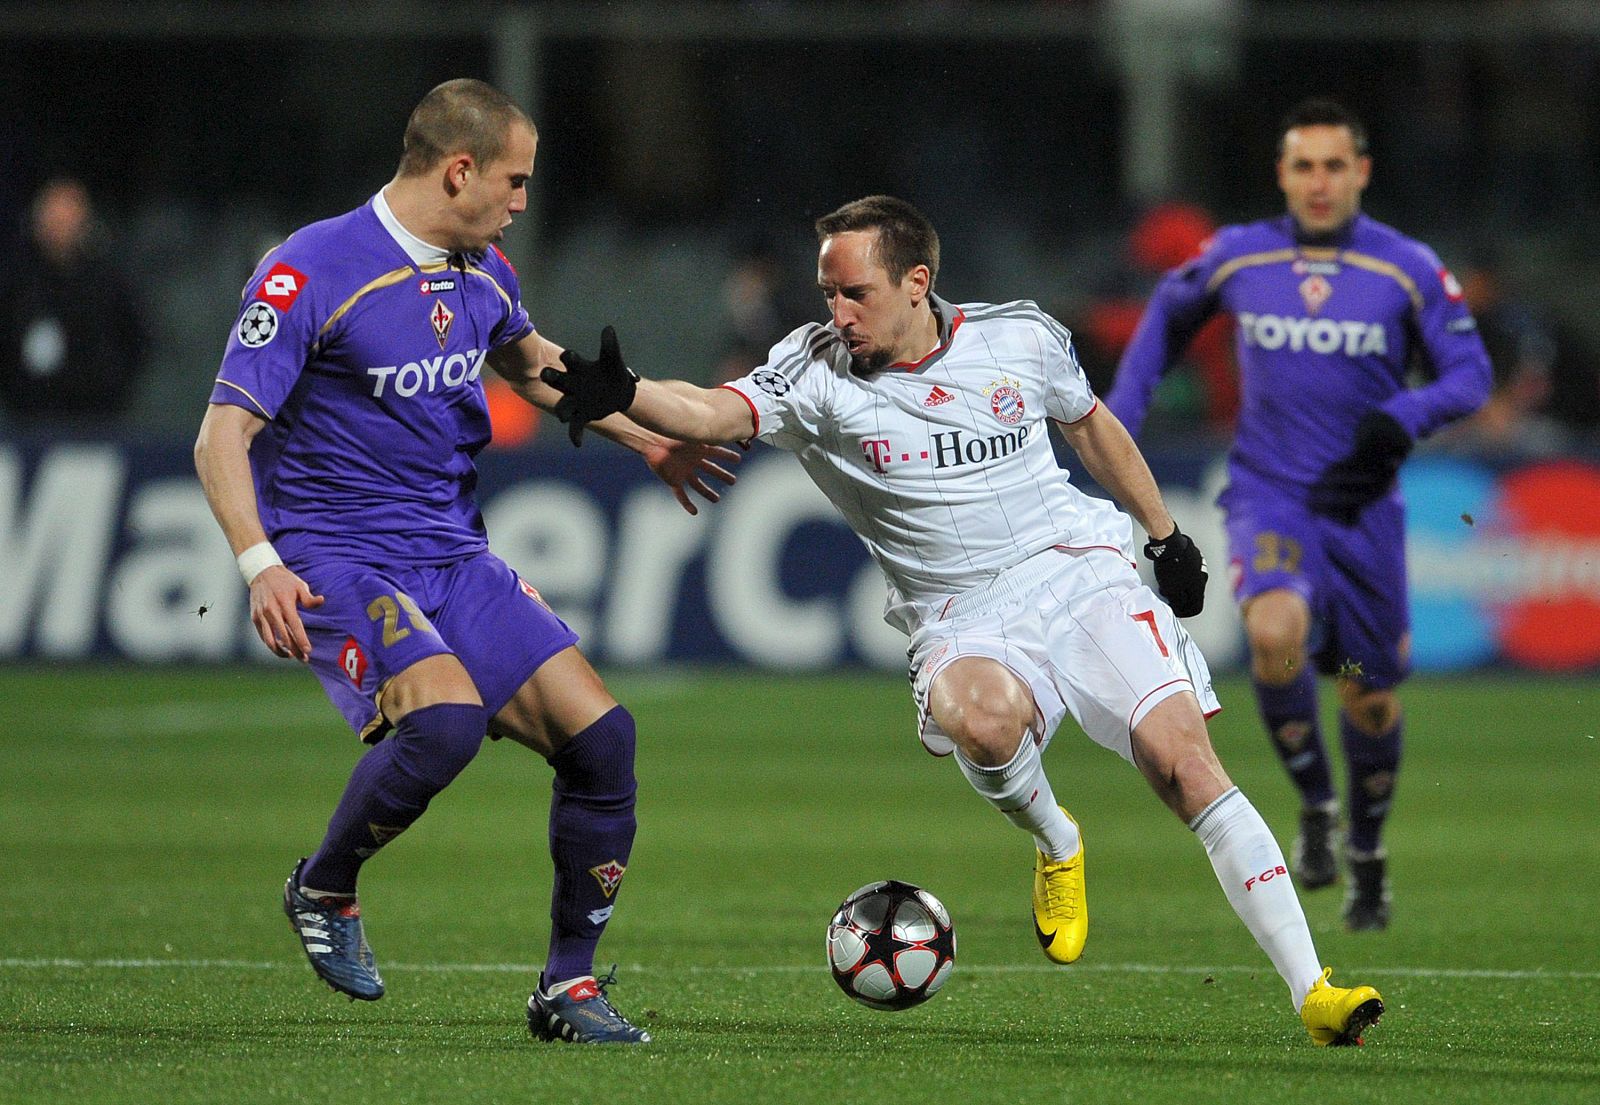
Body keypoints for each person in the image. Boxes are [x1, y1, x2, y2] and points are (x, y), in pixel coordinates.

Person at [539, 194, 1384, 1046]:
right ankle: (1058, 841)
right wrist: (633, 393)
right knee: (982, 721)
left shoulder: (1020, 336)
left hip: (1076, 569)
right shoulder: (816, 370)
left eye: (853, 293)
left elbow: (1089, 426)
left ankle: (1314, 991)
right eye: (826, 292)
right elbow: (712, 411)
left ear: (917, 283)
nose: (836, 312)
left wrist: (1164, 534)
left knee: (1185, 763)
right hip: (956, 611)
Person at [193, 78, 738, 1044]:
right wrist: (258, 564)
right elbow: (220, 435)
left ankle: (567, 990)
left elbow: (529, 364)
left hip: (450, 549)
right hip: (338, 553)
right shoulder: (309, 269)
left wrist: (645, 438)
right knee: (441, 721)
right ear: (459, 170)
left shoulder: (483, 268)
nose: (522, 202)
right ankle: (324, 885)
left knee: (605, 744)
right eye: (514, 180)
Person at [1106, 99, 1492, 931]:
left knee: (1363, 691)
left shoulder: (1407, 268)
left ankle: (1366, 845)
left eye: (1334, 165)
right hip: (1269, 495)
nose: (1319, 182)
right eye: (1303, 166)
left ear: (1362, 172)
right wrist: (1118, 419)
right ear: (1283, 175)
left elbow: (1470, 374)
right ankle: (1316, 801)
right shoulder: (1242, 254)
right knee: (1276, 635)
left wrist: (1403, 418)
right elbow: (1166, 319)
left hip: (1361, 511)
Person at [0, 177, 151, 425]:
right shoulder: (15, 280)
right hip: (24, 421)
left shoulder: (108, 279)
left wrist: (110, 387)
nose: (60, 224)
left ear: (84, 219)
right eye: (53, 216)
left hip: (96, 421)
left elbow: (137, 341)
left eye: (67, 215)